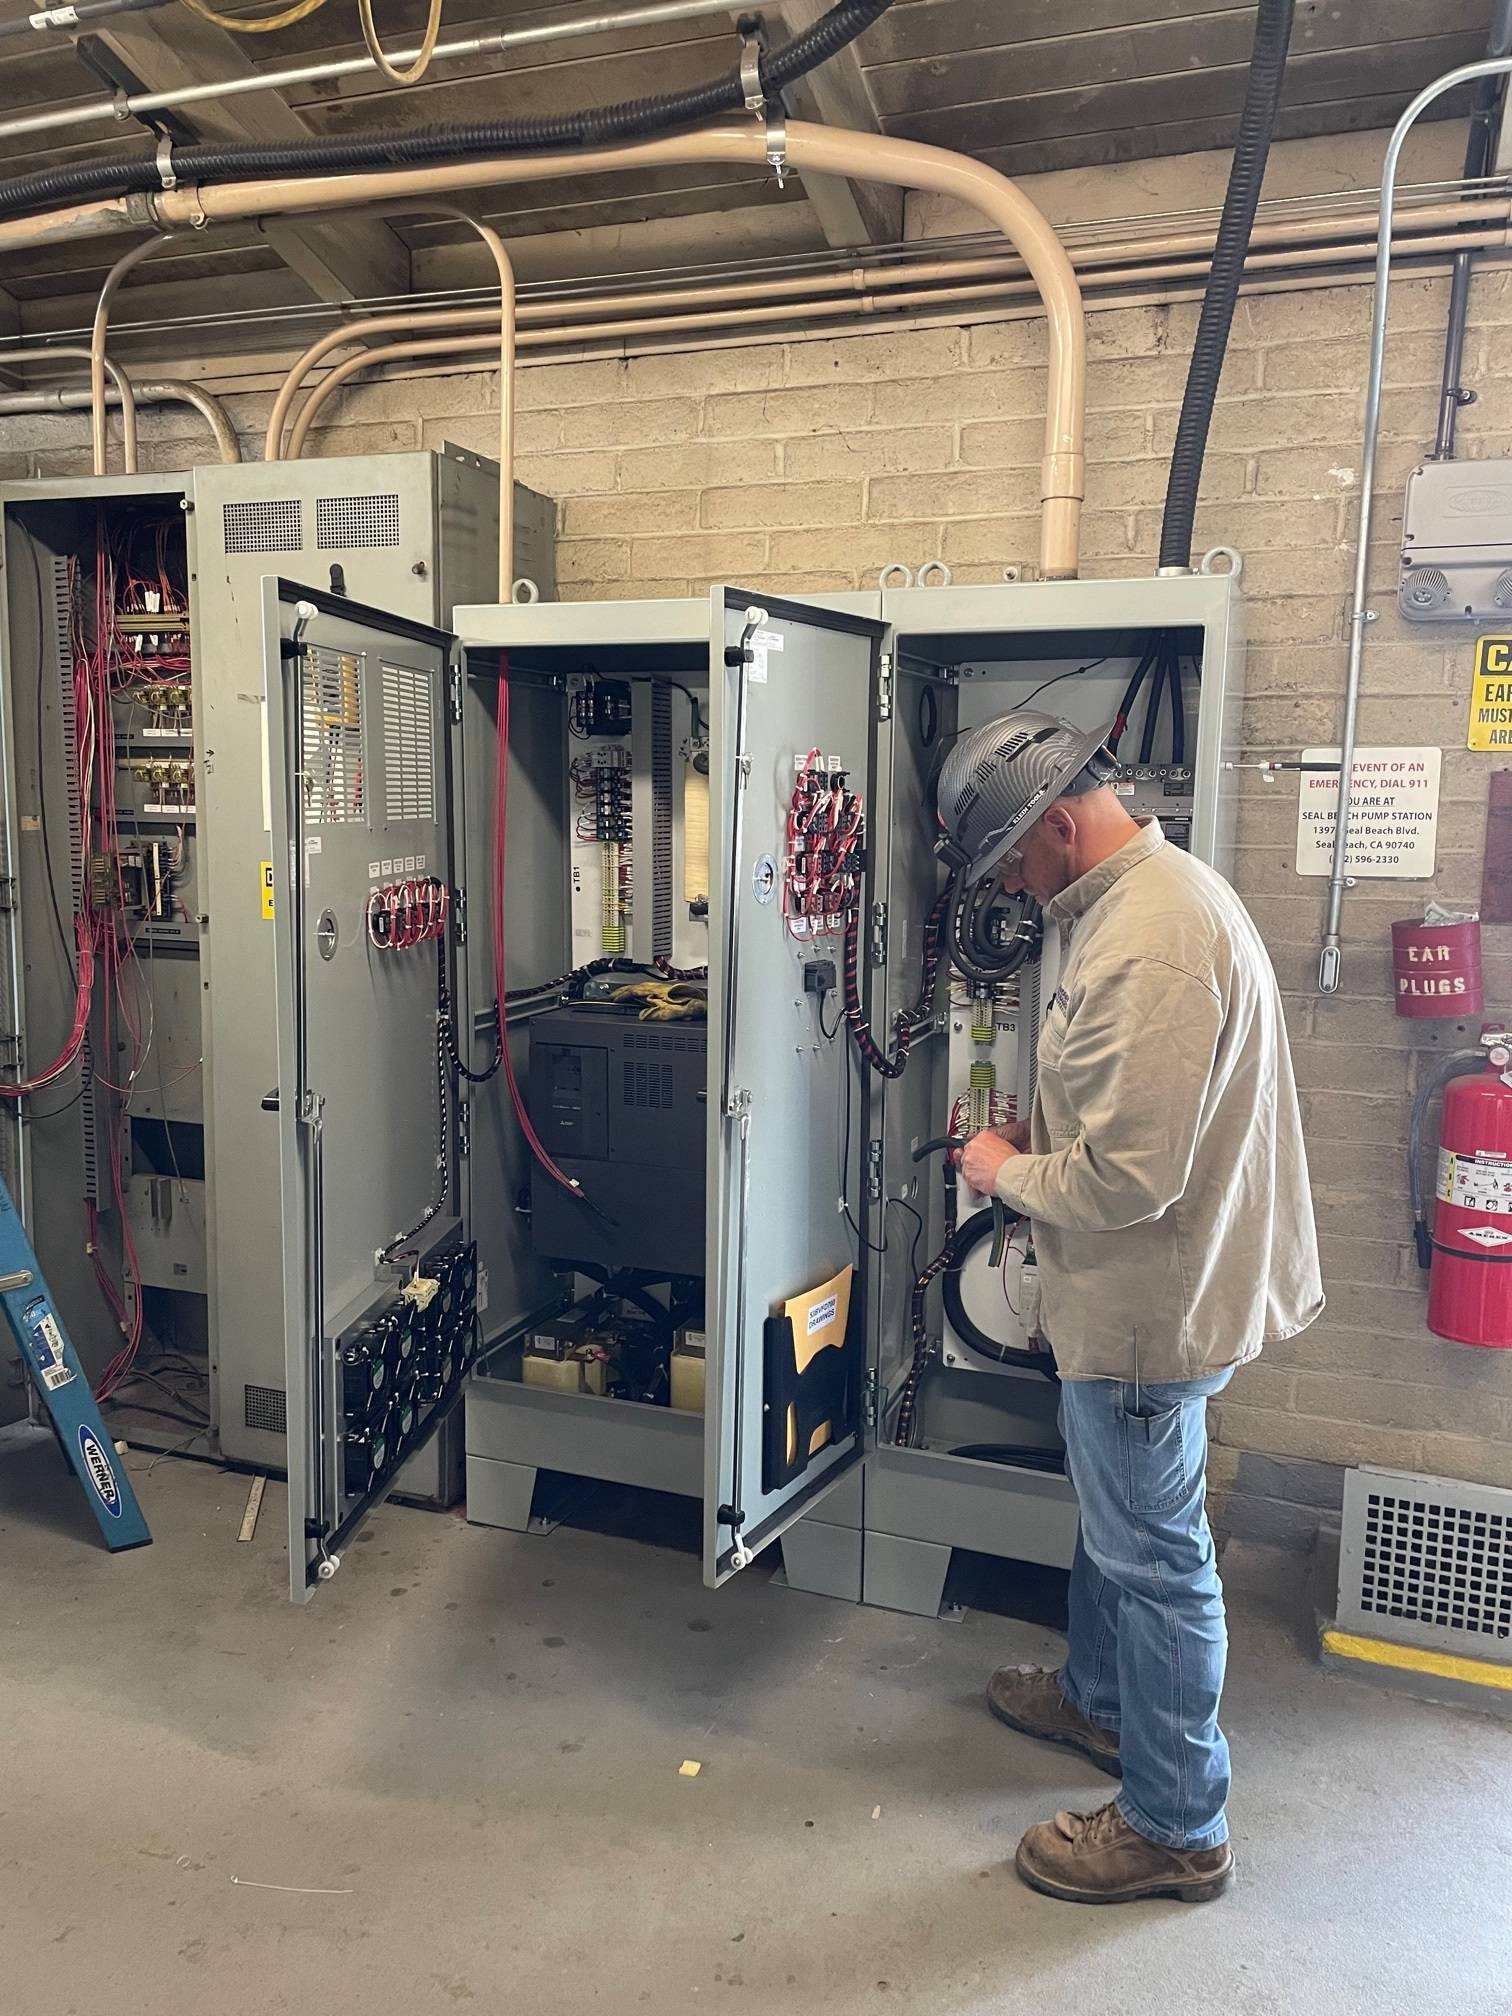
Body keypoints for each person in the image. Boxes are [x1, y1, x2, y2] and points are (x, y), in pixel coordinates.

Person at [934, 709, 1322, 1907]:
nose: (1010, 885)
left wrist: (1000, 1171)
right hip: (1154, 1290)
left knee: (1155, 1561)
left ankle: (1174, 1825)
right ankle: (1103, 1705)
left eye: (1011, 859)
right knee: (1117, 1527)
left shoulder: (1147, 944)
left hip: (1155, 1310)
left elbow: (1127, 1180)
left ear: (1058, 824)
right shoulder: (1150, 898)